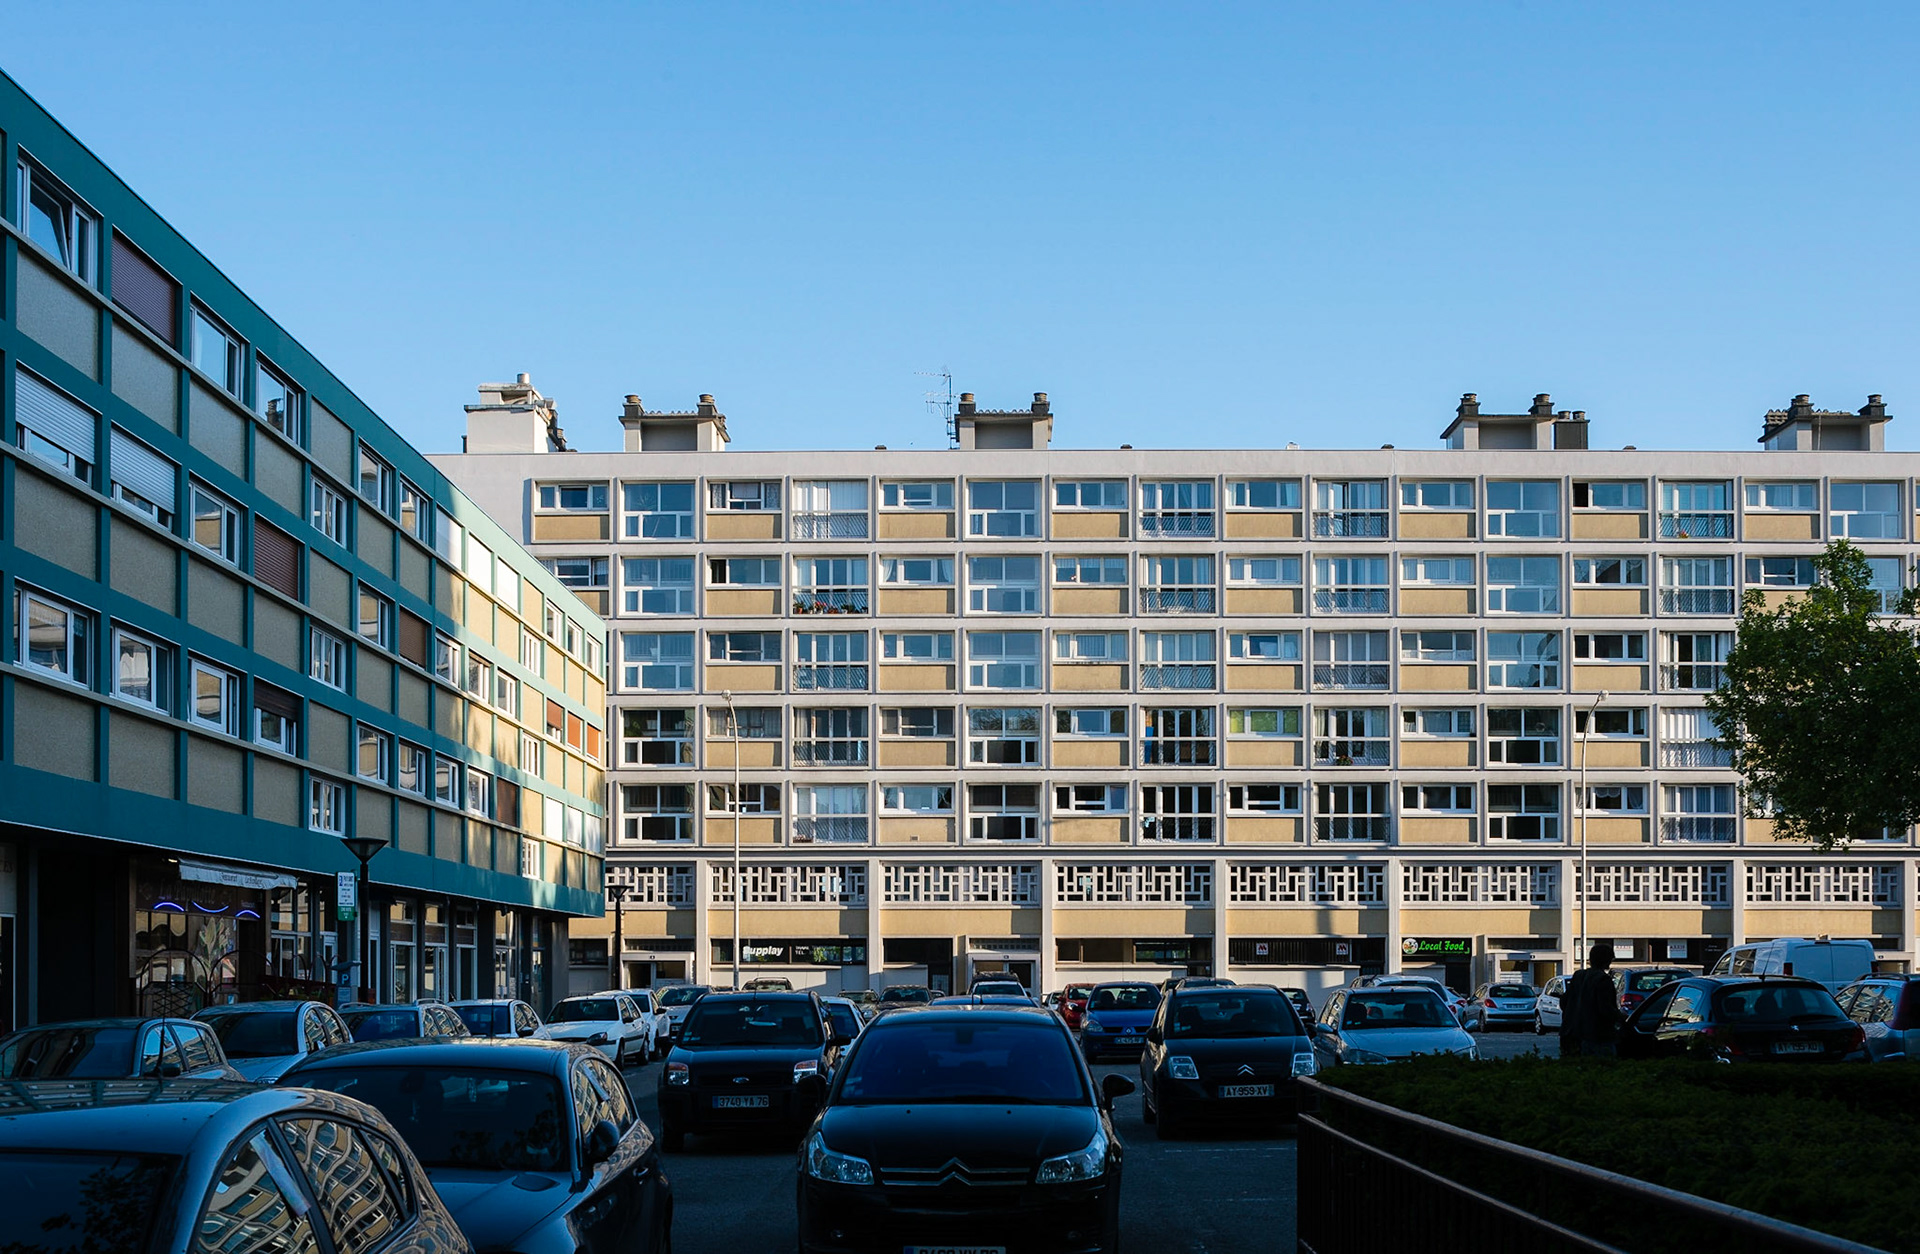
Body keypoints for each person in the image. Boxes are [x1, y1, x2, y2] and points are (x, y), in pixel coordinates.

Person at [1562, 943, 1623, 1057]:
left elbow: (1564, 1001)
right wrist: (1622, 1018)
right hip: (1596, 1036)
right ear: (1606, 960)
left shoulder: (1578, 976)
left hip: (1573, 1033)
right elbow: (1606, 1009)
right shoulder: (1603, 980)